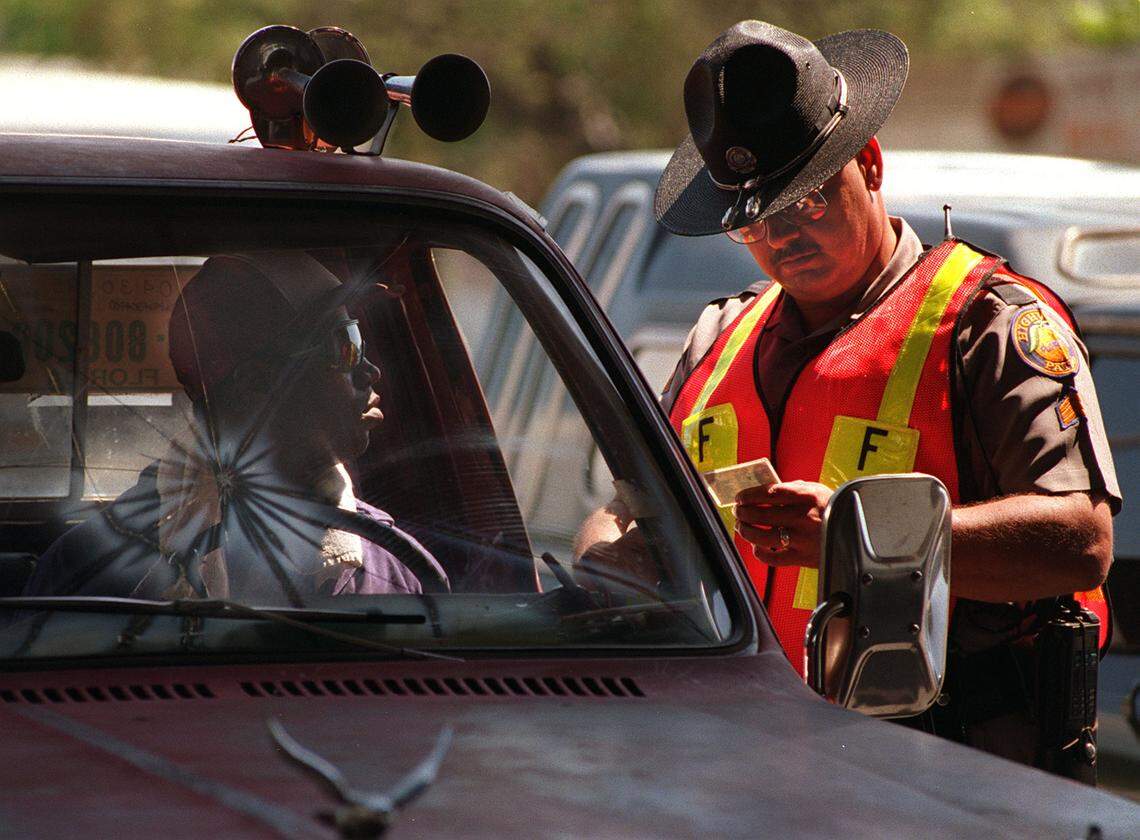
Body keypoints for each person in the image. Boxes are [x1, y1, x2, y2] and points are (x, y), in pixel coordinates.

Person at [579, 20, 1119, 774]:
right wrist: (605, 570)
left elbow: (1080, 543)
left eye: (806, 201)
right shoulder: (718, 336)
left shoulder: (989, 322)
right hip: (735, 762)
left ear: (868, 164)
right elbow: (626, 506)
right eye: (753, 219)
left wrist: (856, 538)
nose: (782, 236)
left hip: (941, 774)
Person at [24, 251, 444, 603]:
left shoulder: (393, 563)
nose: (370, 371)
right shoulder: (94, 565)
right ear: (257, 384)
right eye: (346, 345)